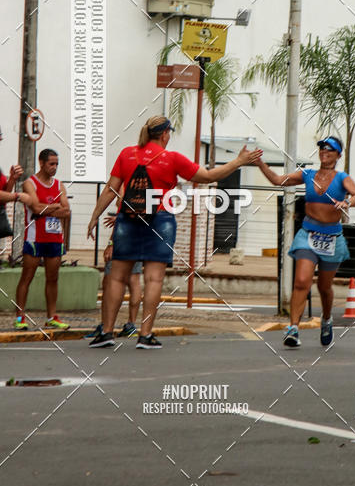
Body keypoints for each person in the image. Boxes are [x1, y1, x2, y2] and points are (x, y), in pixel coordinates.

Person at [86, 115, 262, 349]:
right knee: (153, 278)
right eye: (169, 133)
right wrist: (238, 162)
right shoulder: (172, 159)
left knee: (117, 277)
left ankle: (106, 332)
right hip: (160, 220)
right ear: (164, 134)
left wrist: (95, 215)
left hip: (127, 220)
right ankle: (145, 335)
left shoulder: (127, 154)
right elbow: (208, 176)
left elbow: (111, 189)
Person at [254, 136, 355, 348]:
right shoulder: (308, 175)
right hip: (308, 234)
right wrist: (260, 164)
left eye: (330, 150)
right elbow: (278, 180)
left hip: (332, 238)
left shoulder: (342, 178)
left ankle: (327, 319)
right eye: (322, 148)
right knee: (301, 281)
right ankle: (293, 327)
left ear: (338, 155)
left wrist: (346, 202)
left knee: (324, 287)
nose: (324, 152)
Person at [14, 148, 71, 331]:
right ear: (42, 163)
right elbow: (36, 208)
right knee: (27, 277)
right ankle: (20, 317)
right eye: (51, 164)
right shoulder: (30, 183)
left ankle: (52, 316)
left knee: (53, 277)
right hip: (35, 237)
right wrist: (54, 206)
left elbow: (66, 210)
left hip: (54, 238)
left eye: (56, 164)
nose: (54, 167)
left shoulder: (59, 185)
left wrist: (48, 208)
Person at [86, 241, 142, 340]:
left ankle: (106, 327)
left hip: (122, 240)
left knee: (111, 282)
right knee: (134, 280)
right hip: (138, 241)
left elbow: (119, 225)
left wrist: (111, 244)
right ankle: (131, 325)